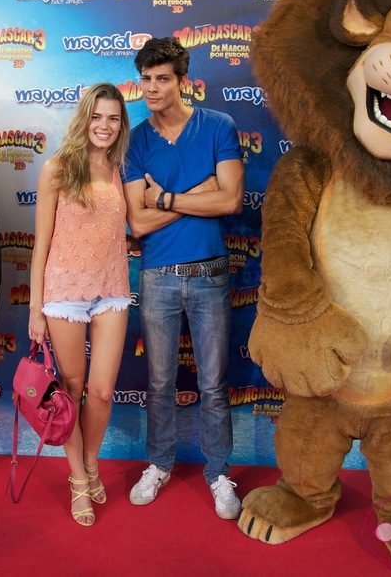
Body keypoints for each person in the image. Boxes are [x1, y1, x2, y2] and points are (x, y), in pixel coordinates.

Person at [121, 37, 244, 519]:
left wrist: (166, 198)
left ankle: (218, 474)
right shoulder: (135, 139)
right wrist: (200, 191)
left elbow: (231, 201)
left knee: (214, 384)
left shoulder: (218, 126)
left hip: (211, 274)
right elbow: (138, 223)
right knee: (158, 382)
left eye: (162, 79)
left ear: (183, 81)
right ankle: (159, 464)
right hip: (158, 277)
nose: (152, 88)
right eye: (145, 79)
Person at [28, 83, 131, 527]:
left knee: (102, 392)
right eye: (97, 116)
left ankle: (91, 462)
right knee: (70, 392)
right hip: (63, 293)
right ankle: (76, 480)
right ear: (84, 118)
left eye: (113, 118)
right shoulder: (57, 168)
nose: (104, 126)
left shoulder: (119, 169)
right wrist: (36, 308)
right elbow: (41, 244)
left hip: (112, 288)